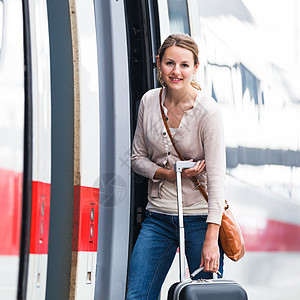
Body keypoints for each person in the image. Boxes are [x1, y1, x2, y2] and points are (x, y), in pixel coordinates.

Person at [127, 33, 226, 300]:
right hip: (157, 217)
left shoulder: (208, 113)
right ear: (159, 63)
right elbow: (137, 158)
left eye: (184, 65)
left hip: (199, 220)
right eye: (170, 63)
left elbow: (217, 179)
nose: (176, 72)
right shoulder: (149, 102)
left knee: (205, 295)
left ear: (195, 67)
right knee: (138, 295)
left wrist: (211, 239)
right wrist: (168, 174)